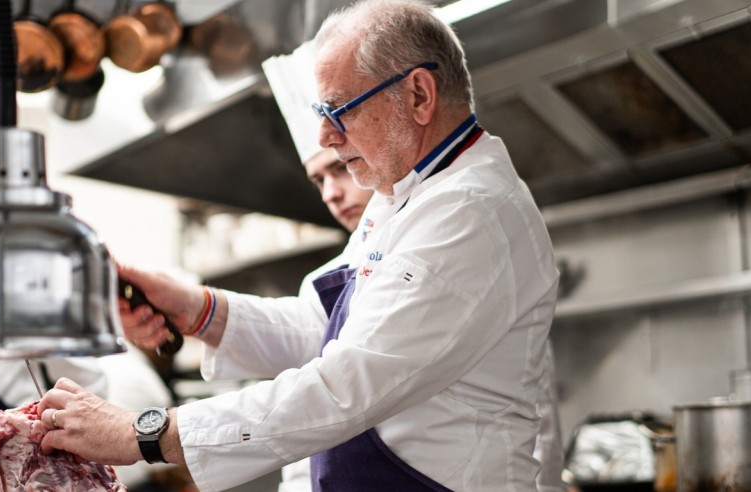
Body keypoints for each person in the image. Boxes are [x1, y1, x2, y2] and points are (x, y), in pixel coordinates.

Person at [36, 1, 560, 490]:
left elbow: (348, 385)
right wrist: (196, 309)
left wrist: (144, 433)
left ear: (419, 95)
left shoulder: (469, 210)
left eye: (340, 110)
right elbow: (323, 330)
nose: (327, 136)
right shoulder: (402, 196)